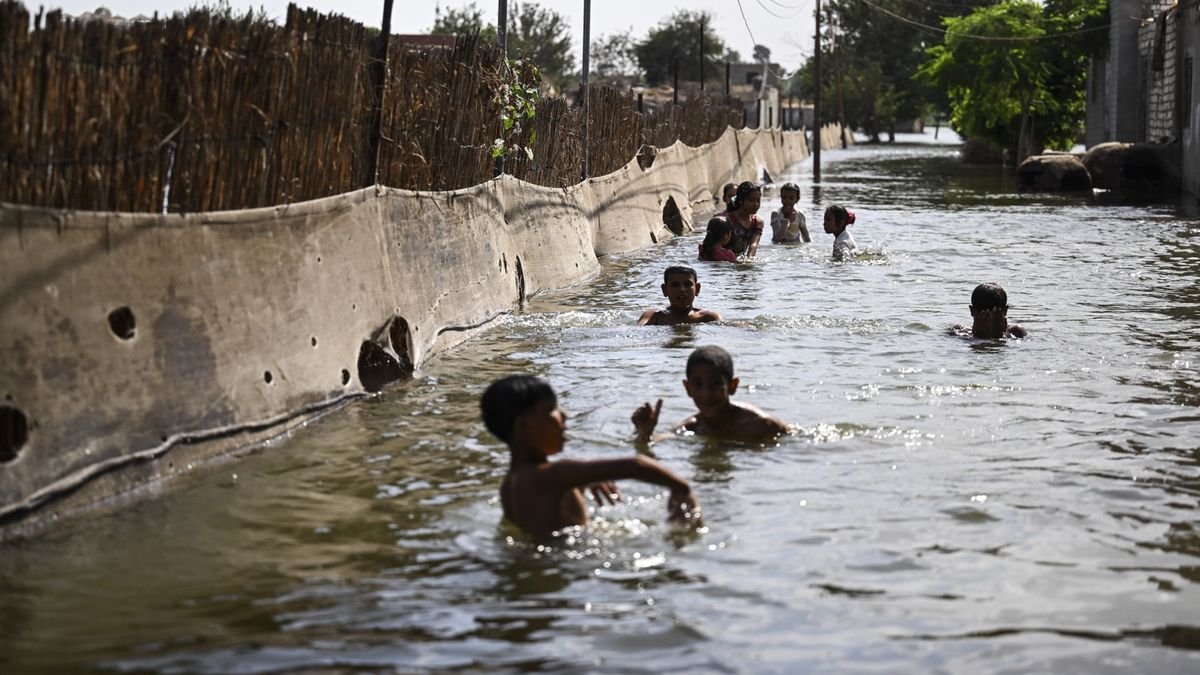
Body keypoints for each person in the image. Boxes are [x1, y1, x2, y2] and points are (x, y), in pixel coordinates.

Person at [483, 375, 701, 539]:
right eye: (551, 409)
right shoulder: (553, 475)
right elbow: (635, 466)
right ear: (523, 425)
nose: (564, 415)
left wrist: (581, 483)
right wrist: (682, 488)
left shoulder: (511, 483)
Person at [632, 345, 790, 444]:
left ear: (732, 386)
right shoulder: (691, 427)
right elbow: (653, 443)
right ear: (687, 388)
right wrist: (644, 434)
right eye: (698, 384)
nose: (706, 393)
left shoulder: (761, 424)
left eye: (716, 383)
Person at [637, 265, 723, 325]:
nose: (682, 289)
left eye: (688, 284)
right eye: (675, 285)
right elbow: (638, 331)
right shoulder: (655, 316)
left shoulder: (709, 318)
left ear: (697, 289)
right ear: (665, 290)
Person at [953, 283, 1028, 338]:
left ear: (972, 311)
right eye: (985, 315)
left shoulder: (1015, 331)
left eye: (993, 316)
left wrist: (999, 336)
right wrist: (977, 336)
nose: (989, 322)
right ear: (1005, 311)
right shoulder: (960, 330)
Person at [721, 182, 765, 258]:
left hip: (739, 259)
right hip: (723, 260)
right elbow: (715, 248)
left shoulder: (757, 222)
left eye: (758, 200)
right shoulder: (727, 221)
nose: (756, 204)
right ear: (741, 200)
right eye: (751, 200)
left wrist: (749, 259)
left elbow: (753, 245)